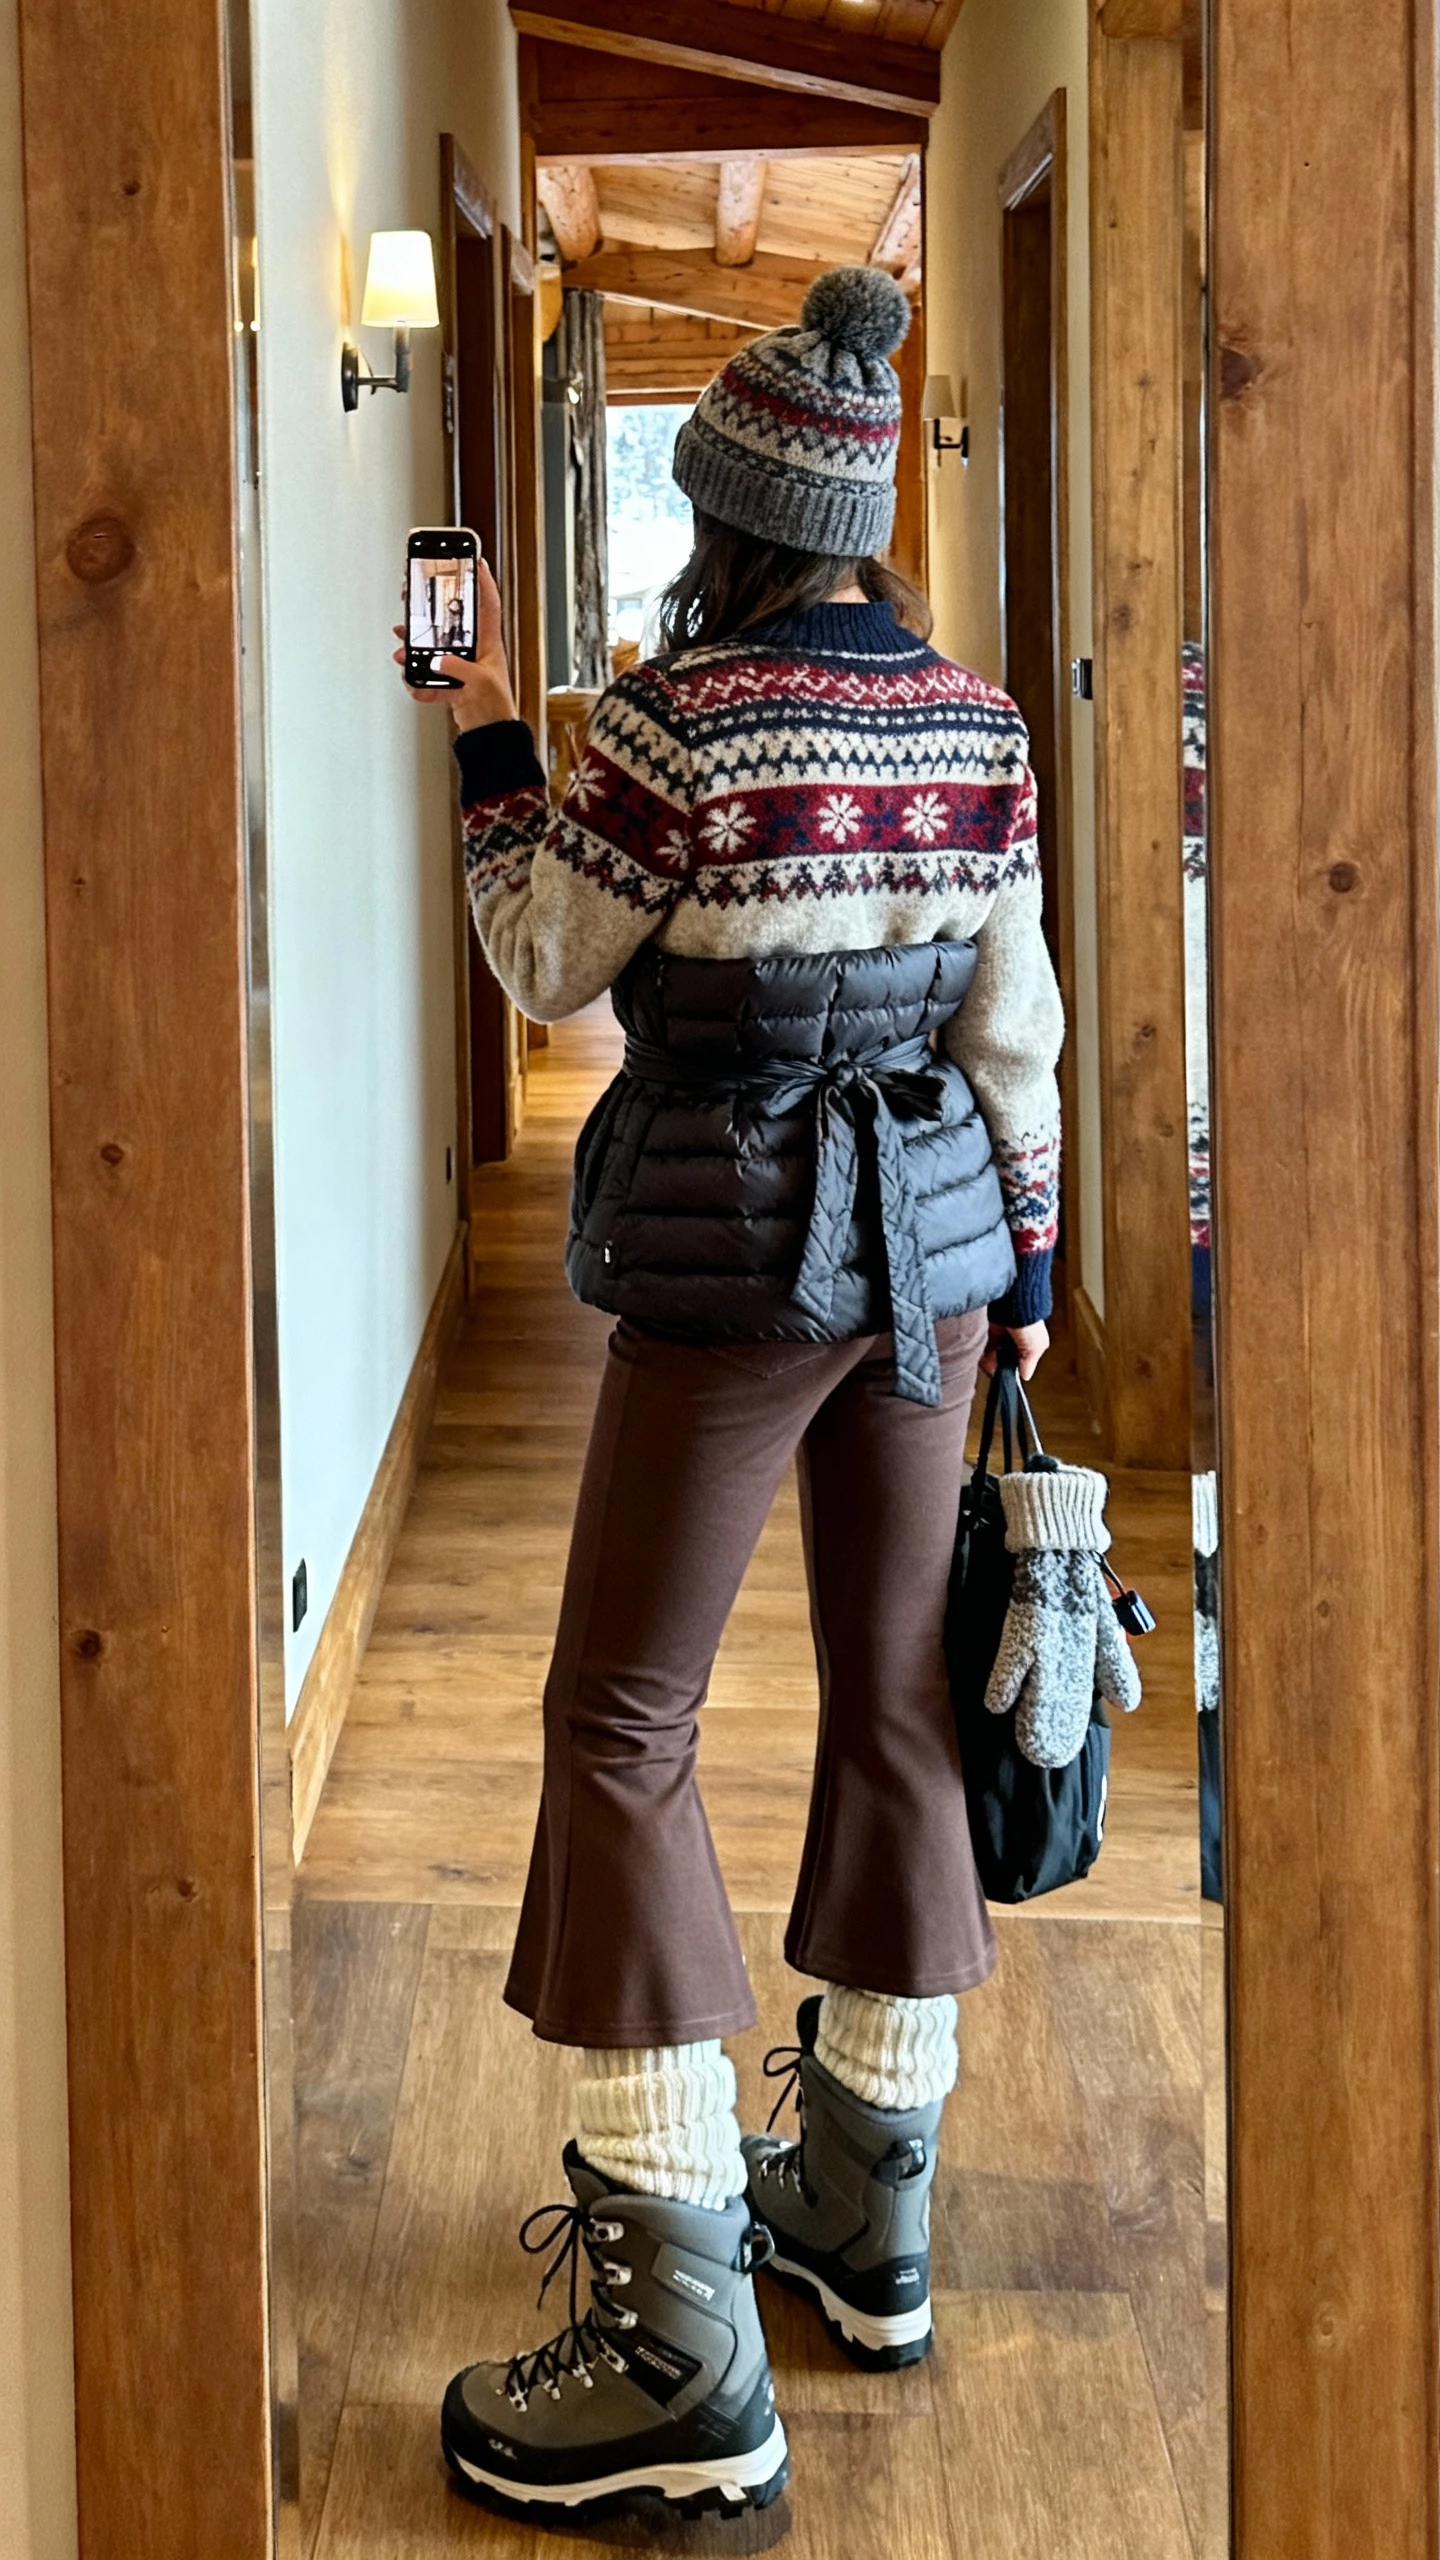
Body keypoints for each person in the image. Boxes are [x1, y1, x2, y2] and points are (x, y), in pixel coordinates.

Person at [400, 265, 1062, 2522]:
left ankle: (682, 2339)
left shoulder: (672, 729)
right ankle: (869, 2224)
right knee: (894, 1695)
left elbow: (539, 958)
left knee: (621, 1719)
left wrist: (490, 733)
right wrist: (1033, 1264)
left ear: (728, 504)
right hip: (944, 1256)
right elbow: (1015, 1026)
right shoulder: (978, 724)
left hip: (731, 1256)